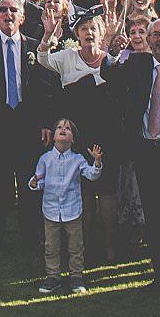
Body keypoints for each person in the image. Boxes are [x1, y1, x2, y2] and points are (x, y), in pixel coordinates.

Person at [38, 7, 121, 263]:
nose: (89, 32)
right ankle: (84, 245)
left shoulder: (112, 61)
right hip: (78, 132)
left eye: (93, 28)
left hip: (106, 132)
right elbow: (42, 58)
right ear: (77, 33)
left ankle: (109, 245)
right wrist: (48, 34)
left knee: (106, 190)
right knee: (83, 190)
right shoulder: (66, 57)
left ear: (102, 31)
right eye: (84, 29)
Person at [0, 0, 47, 254]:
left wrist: (45, 124)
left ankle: (32, 236)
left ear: (22, 16)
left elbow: (43, 89)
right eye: (2, 10)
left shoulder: (34, 47)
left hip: (27, 125)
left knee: (30, 182)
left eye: (13, 10)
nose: (7, 14)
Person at [30, 120, 103, 294]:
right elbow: (39, 181)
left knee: (76, 246)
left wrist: (97, 162)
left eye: (68, 128)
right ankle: (53, 276)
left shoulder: (77, 160)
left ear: (73, 139)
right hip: (51, 210)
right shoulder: (45, 159)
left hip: (72, 209)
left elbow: (91, 175)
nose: (63, 129)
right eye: (60, 127)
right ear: (53, 136)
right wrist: (34, 183)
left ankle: (76, 277)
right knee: (51, 246)